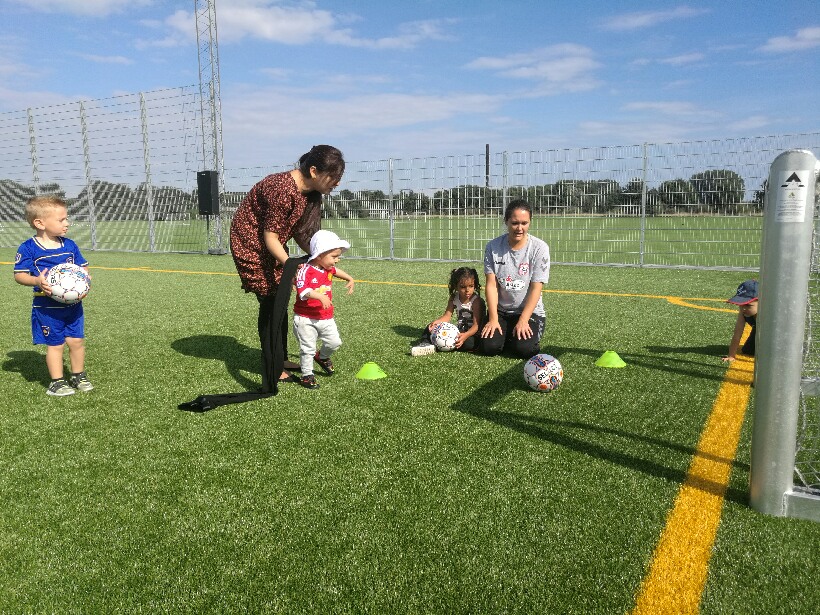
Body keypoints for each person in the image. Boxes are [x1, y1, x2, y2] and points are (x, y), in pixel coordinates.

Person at [230, 145, 345, 392]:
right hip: (251, 244)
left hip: (272, 245)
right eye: (333, 177)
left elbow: (305, 236)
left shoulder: (311, 193)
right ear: (314, 171)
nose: (337, 183)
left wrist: (321, 257)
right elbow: (270, 237)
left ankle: (280, 358)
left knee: (280, 301)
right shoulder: (281, 188)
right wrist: (294, 267)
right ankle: (272, 365)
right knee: (271, 302)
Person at [13, 196, 93, 396]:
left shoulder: (70, 245)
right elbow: (19, 275)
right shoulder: (28, 248)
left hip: (73, 307)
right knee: (56, 345)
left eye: (67, 218)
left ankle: (78, 376)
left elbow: (82, 267)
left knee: (76, 341)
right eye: (61, 220)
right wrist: (36, 281)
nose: (67, 223)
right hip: (47, 309)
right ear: (40, 223)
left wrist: (84, 280)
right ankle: (57, 383)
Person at [480, 199, 551, 358]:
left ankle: (515, 336)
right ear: (506, 221)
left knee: (524, 350)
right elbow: (491, 285)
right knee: (489, 348)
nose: (520, 228)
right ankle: (506, 334)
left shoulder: (540, 248)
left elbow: (536, 288)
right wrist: (493, 318)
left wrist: (524, 319)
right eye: (515, 223)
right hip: (501, 311)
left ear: (530, 222)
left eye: (524, 223)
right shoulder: (493, 247)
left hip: (529, 313)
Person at [292, 230, 355, 389]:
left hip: (325, 316)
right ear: (320, 254)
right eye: (334, 256)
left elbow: (336, 272)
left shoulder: (327, 268)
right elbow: (303, 290)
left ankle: (322, 356)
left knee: (335, 342)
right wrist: (320, 296)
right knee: (308, 349)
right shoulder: (305, 270)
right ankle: (307, 375)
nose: (337, 260)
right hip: (305, 318)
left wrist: (349, 278)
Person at [411, 267, 486, 356]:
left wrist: (465, 335)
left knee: (468, 344)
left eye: (471, 286)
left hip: (472, 334)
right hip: (459, 330)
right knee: (430, 327)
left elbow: (476, 326)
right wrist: (436, 323)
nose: (467, 290)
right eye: (463, 287)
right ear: (456, 286)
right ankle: (425, 344)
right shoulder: (454, 297)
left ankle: (439, 344)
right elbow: (447, 316)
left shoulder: (476, 301)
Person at [722, 279, 758, 362]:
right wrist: (731, 356)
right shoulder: (743, 312)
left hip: (775, 334)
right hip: (757, 329)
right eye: (741, 304)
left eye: (748, 305)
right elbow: (737, 334)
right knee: (749, 350)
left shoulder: (768, 317)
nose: (743, 308)